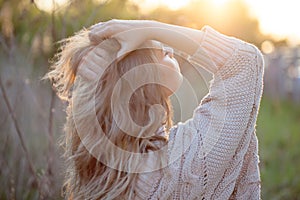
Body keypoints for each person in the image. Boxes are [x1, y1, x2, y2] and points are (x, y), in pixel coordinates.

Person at [45, 19, 264, 199]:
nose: (168, 47)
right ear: (140, 78)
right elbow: (244, 61)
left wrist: (91, 60)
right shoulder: (181, 168)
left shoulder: (106, 173)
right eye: (157, 48)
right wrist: (150, 28)